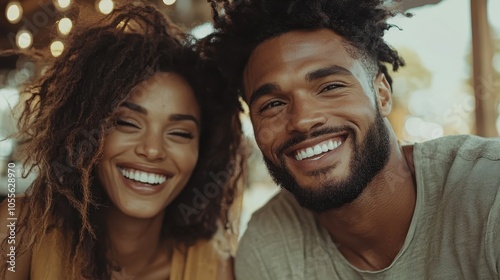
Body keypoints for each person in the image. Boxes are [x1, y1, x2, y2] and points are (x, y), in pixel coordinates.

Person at [203, 0, 500, 279]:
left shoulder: (488, 191)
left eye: (330, 86)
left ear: (382, 94)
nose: (303, 120)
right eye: (272, 105)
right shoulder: (270, 244)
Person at [0, 2, 244, 279]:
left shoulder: (214, 268)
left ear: (203, 150)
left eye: (180, 133)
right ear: (87, 131)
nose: (152, 150)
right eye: (127, 123)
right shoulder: (18, 227)